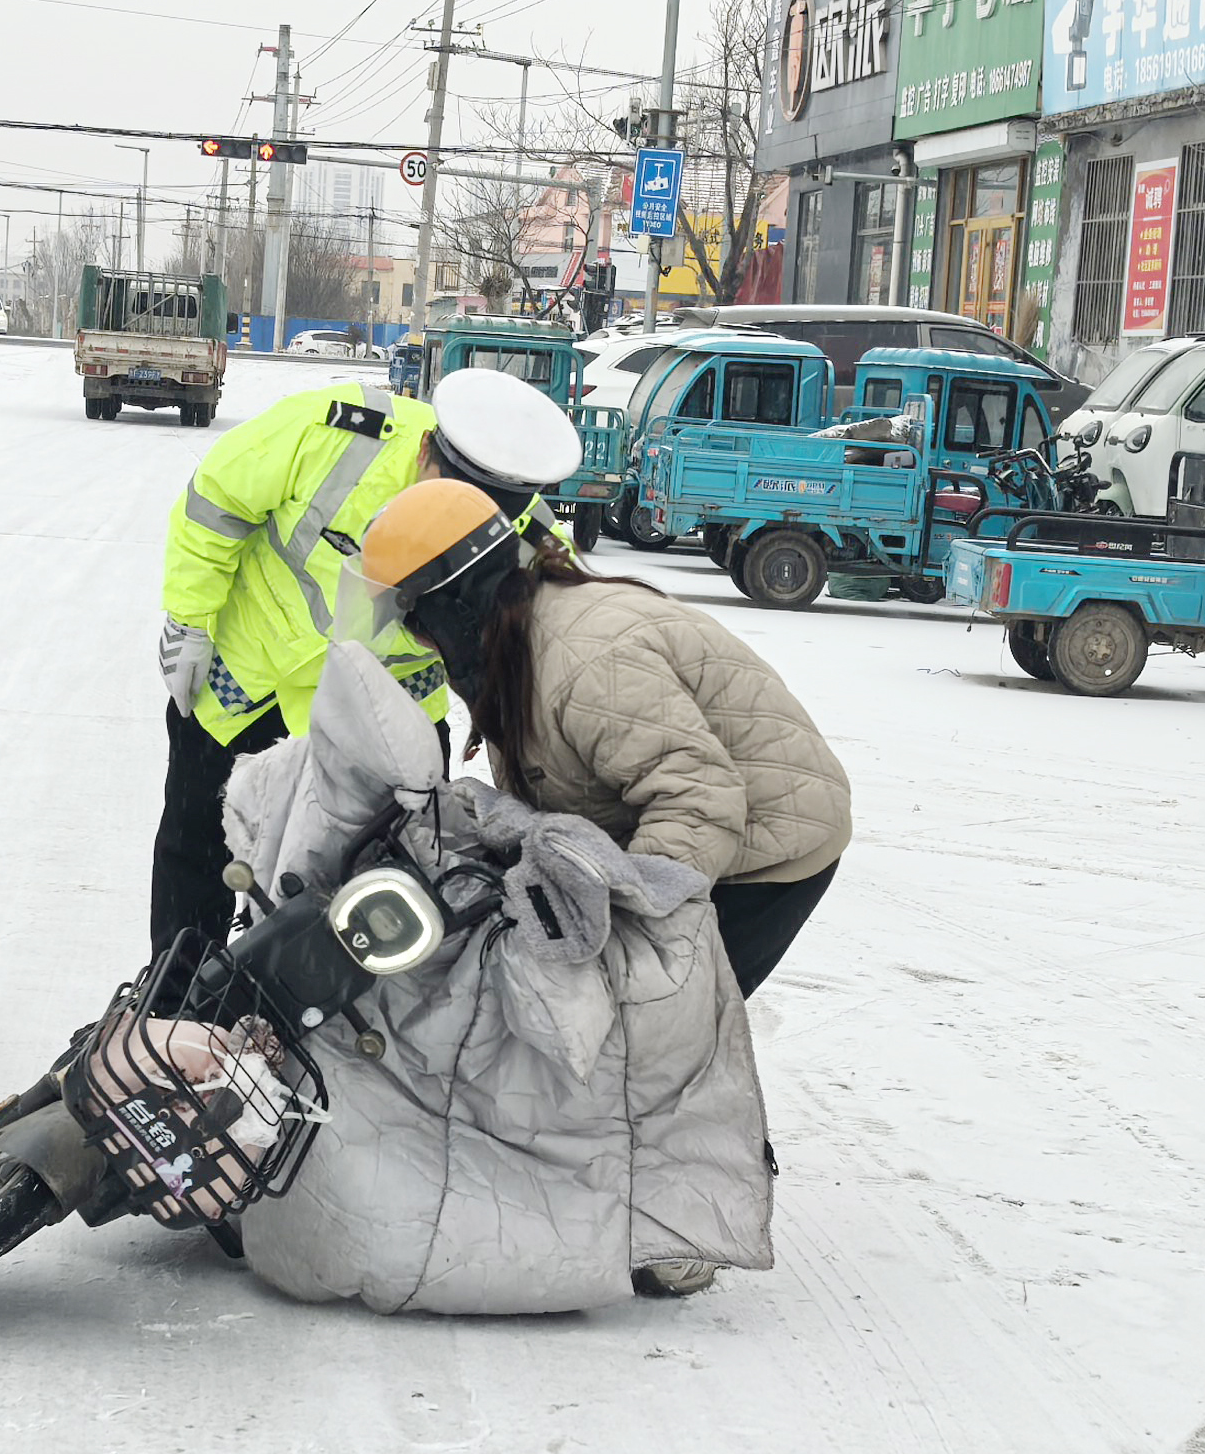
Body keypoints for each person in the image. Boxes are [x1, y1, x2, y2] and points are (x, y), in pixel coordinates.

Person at [349, 476, 852, 1000]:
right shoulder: (514, 638)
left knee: (649, 1028)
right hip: (703, 815)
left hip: (768, 844)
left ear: (452, 609)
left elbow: (695, 799)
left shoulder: (583, 665)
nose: (417, 640)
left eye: (413, 622)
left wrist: (629, 924)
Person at [152, 369, 579, 957]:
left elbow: (547, 641)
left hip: (387, 711)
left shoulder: (530, 542)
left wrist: (499, 708)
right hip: (251, 678)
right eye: (444, 492)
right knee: (199, 842)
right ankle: (178, 1006)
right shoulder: (336, 433)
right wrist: (189, 619)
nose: (451, 524)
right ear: (427, 445)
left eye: (476, 518)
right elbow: (215, 506)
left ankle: (293, 1023)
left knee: (370, 876)